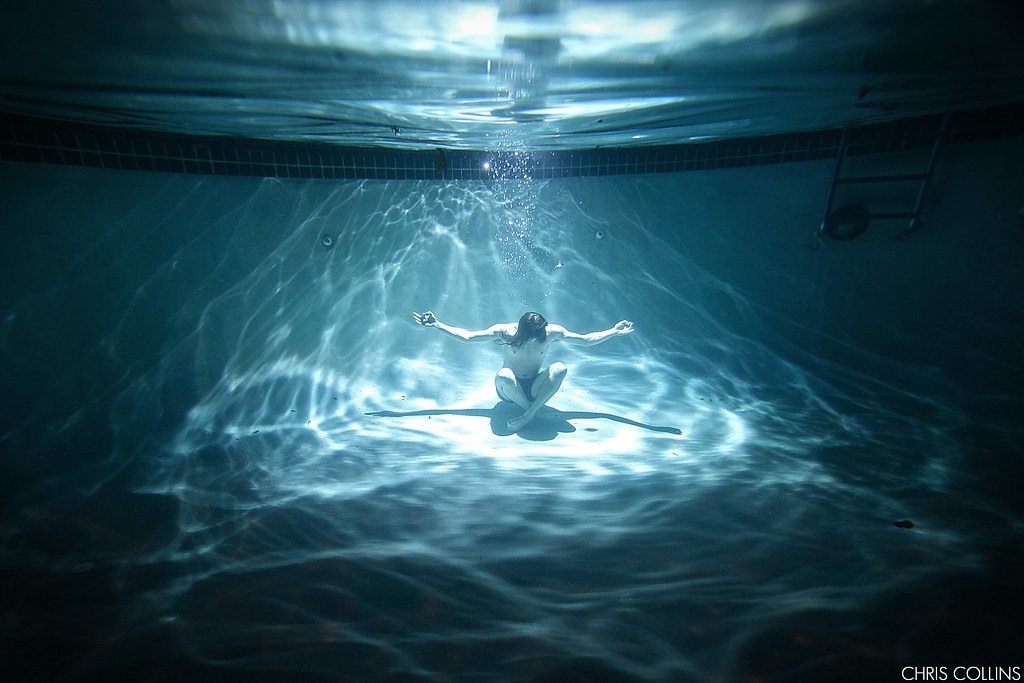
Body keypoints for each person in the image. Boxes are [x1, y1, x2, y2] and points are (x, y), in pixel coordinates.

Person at [412, 310, 634, 432]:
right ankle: (534, 411)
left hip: (535, 387)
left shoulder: (550, 332)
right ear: (521, 331)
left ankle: (528, 414)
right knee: (503, 375)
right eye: (535, 335)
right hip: (508, 389)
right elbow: (468, 337)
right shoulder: (504, 332)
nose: (540, 338)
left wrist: (613, 331)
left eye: (541, 333)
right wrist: (438, 324)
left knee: (560, 368)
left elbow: (585, 341)